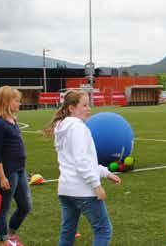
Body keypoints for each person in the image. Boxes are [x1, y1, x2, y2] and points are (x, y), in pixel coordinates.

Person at [44, 88, 121, 246]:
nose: (89, 109)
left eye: (89, 104)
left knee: (68, 231)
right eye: (84, 105)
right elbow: (81, 161)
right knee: (103, 230)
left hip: (66, 190)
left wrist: (106, 173)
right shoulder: (78, 128)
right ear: (72, 108)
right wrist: (96, 185)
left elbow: (82, 160)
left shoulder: (63, 127)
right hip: (83, 190)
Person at [0, 86, 31, 246]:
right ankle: (3, 240)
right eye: (16, 100)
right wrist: (2, 177)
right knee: (3, 208)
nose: (19, 103)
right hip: (7, 172)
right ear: (7, 102)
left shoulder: (13, 120)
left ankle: (11, 233)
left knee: (25, 206)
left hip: (19, 170)